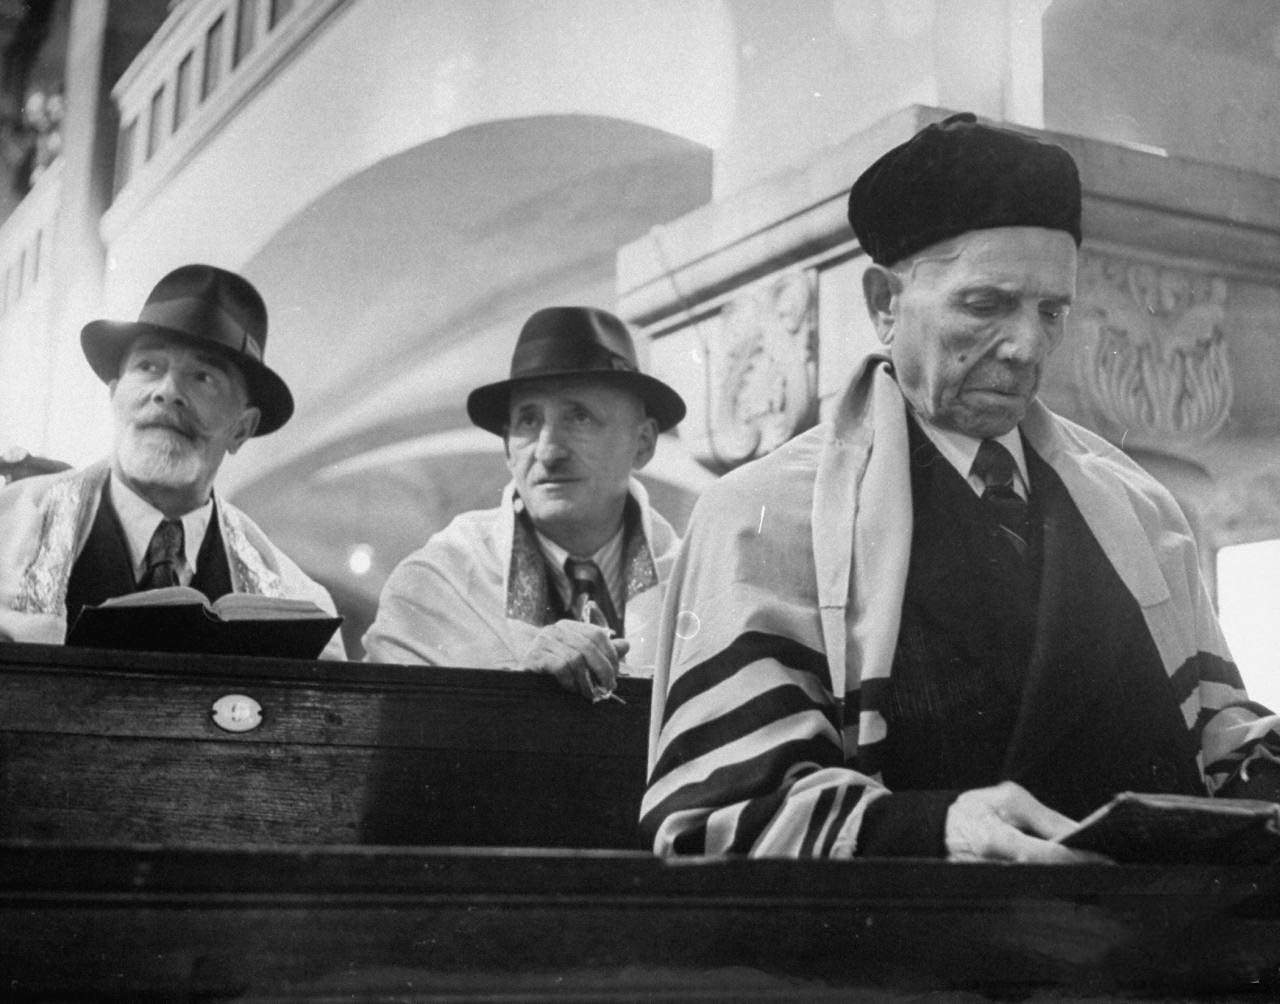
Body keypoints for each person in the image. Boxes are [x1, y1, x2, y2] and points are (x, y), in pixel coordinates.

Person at [641, 113, 1280, 862]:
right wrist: (939, 827)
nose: (1025, 346)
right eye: (986, 306)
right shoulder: (761, 517)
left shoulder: (1140, 509)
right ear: (884, 302)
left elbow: (1215, 734)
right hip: (918, 957)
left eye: (1052, 311)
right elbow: (721, 812)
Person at [0, 263, 346, 659]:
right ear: (115, 394)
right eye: (148, 366)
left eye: (203, 377)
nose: (167, 392)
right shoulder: (8, 533)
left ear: (242, 429)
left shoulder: (294, 600)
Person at [364, 305, 684, 700]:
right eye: (528, 421)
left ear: (644, 443)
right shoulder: (437, 581)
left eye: (579, 417)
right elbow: (387, 730)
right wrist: (517, 684)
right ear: (507, 448)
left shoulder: (690, 583)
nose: (548, 451)